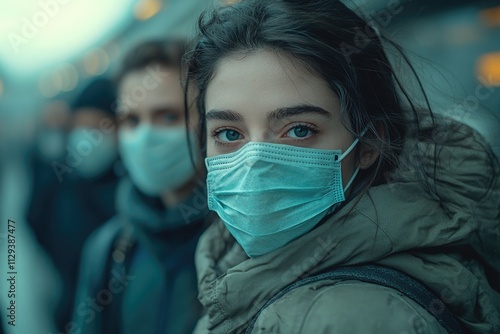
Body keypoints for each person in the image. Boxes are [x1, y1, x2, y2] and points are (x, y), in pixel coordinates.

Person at [184, 0, 500, 333]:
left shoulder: (346, 318)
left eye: (299, 130)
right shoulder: (235, 273)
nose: (255, 162)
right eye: (229, 133)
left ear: (368, 145)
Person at [72, 40, 208, 334]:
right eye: (132, 120)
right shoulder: (107, 250)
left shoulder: (245, 238)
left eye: (169, 116)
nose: (145, 136)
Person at [27, 78, 121, 332]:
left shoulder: (132, 195)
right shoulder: (63, 185)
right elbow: (34, 217)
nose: (85, 139)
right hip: (69, 310)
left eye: (97, 127)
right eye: (78, 126)